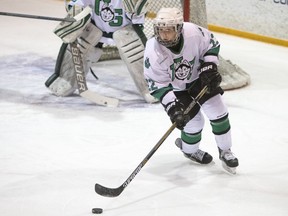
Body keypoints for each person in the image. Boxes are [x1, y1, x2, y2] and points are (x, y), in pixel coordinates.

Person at [143, 7, 239, 173]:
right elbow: (157, 83)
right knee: (193, 123)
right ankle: (189, 150)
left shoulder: (192, 32)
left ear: (179, 29)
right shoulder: (153, 50)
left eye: (169, 31)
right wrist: (172, 107)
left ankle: (225, 151)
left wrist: (209, 66)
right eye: (161, 30)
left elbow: (211, 43)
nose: (164, 35)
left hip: (198, 79)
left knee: (218, 110)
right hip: (176, 89)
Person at [45, 0, 157, 103]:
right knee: (78, 45)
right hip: (94, 27)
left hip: (125, 30)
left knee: (135, 53)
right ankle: (66, 79)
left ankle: (150, 88)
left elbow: (139, 11)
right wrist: (76, 11)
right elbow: (77, 3)